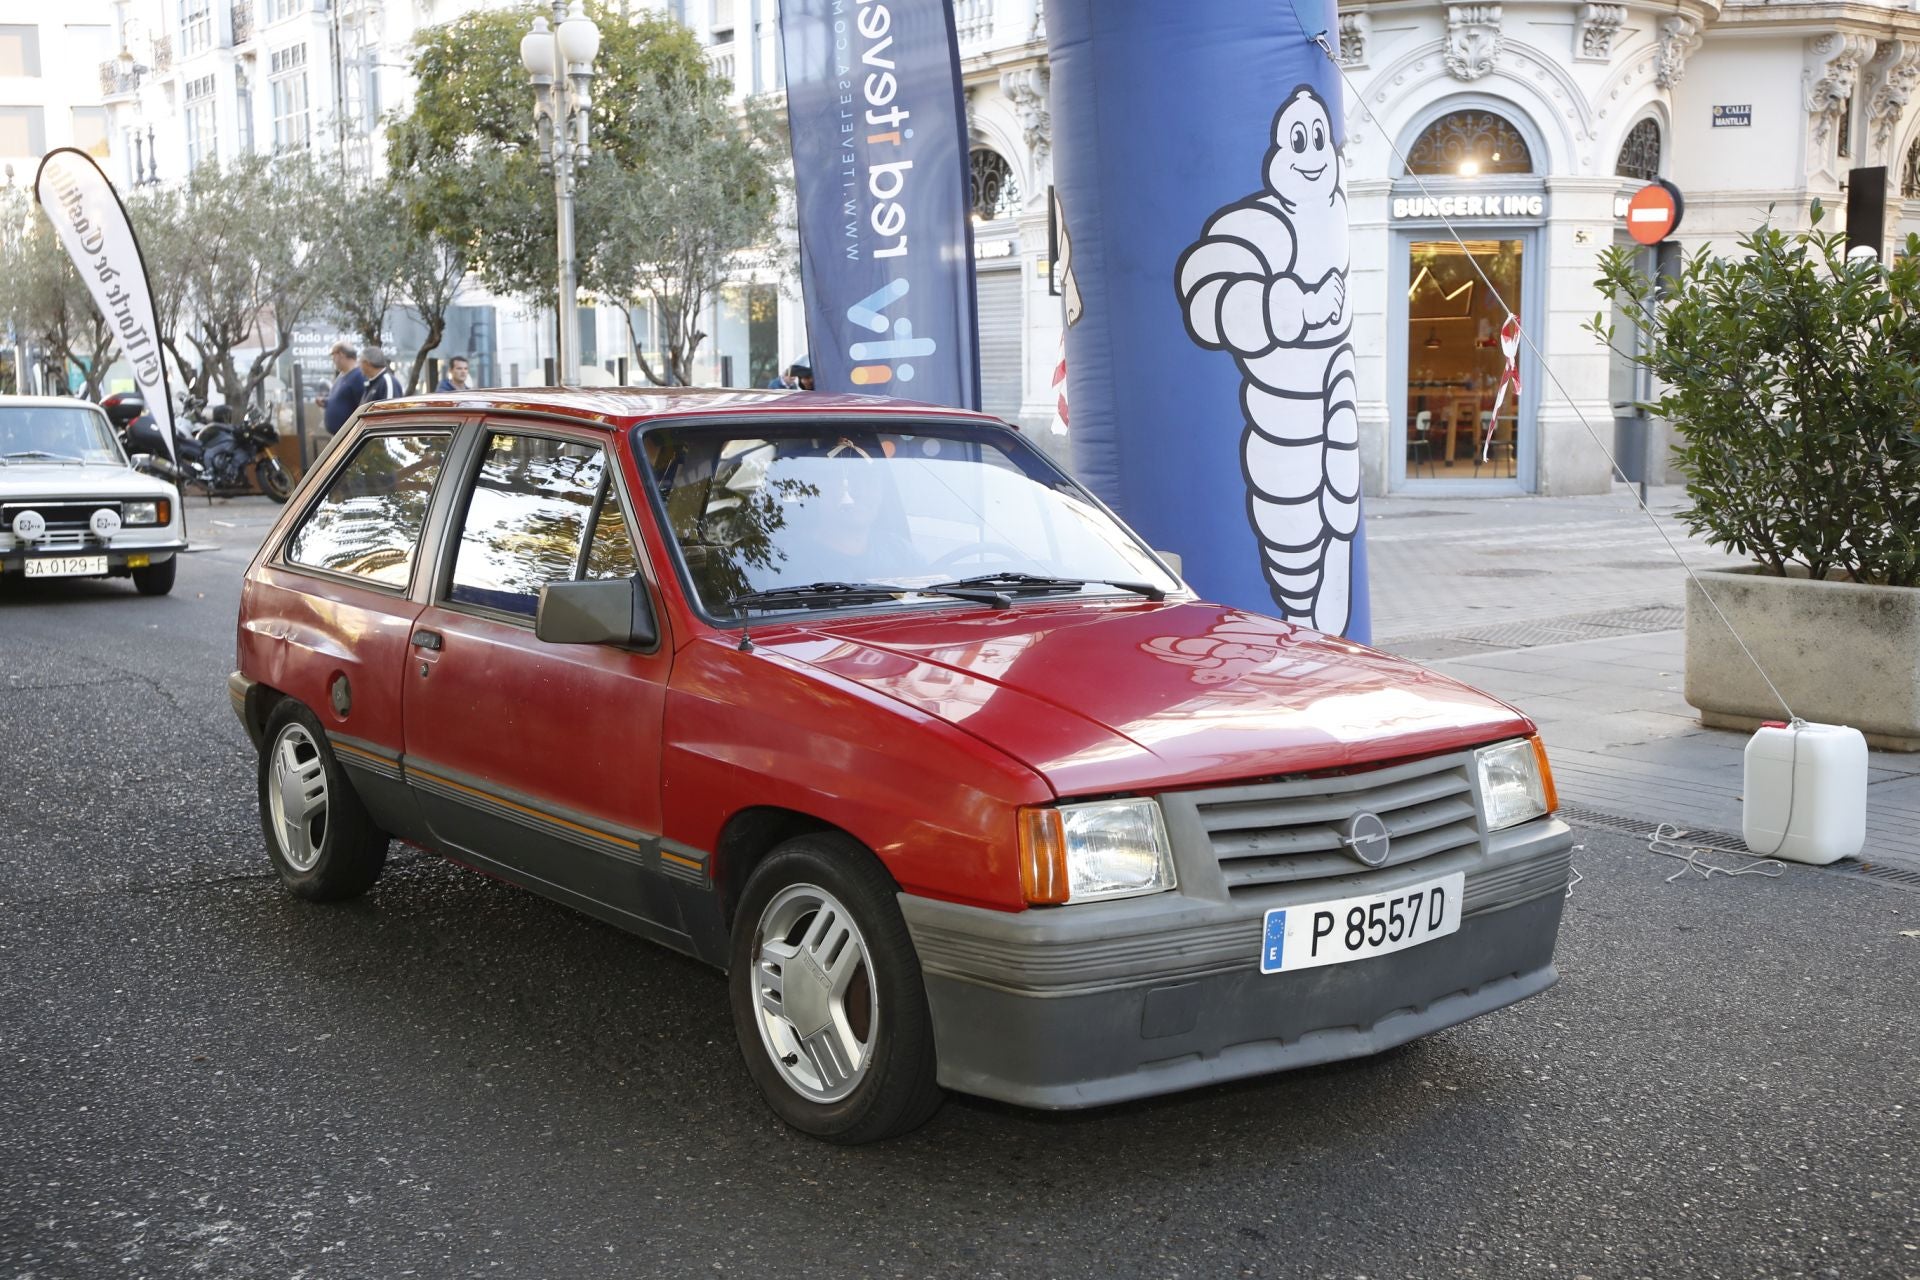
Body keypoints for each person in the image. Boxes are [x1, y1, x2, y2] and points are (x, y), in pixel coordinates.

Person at [315, 341, 365, 435]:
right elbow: (342, 399)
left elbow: (362, 405)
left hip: (351, 435)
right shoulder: (341, 376)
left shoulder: (358, 376)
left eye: (333, 355)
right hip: (338, 435)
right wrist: (326, 402)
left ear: (341, 354)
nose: (332, 359)